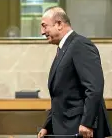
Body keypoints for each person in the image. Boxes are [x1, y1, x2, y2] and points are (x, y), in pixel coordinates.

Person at [37, 7, 111, 138]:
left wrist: (87, 123)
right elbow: (61, 96)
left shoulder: (80, 45)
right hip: (67, 127)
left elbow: (93, 88)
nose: (42, 32)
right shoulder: (64, 49)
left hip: (81, 128)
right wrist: (47, 126)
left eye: (44, 26)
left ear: (59, 24)